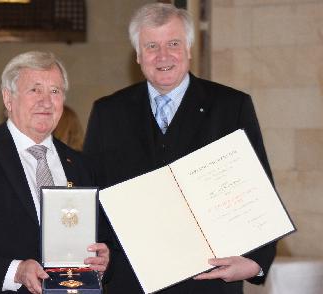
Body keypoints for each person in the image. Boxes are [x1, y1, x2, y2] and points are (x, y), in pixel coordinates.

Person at [83, 3, 275, 294]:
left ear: (188, 49)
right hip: (131, 281)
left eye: (173, 43)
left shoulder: (231, 107)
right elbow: (92, 195)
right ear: (137, 55)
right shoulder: (108, 112)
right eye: (151, 46)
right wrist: (101, 252)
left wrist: (255, 262)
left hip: (209, 280)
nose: (163, 56)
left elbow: (259, 191)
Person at [0, 51, 109, 294]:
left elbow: (99, 239)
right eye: (35, 90)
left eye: (55, 91)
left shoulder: (81, 165)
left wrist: (103, 258)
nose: (46, 101)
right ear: (8, 98)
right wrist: (15, 271)